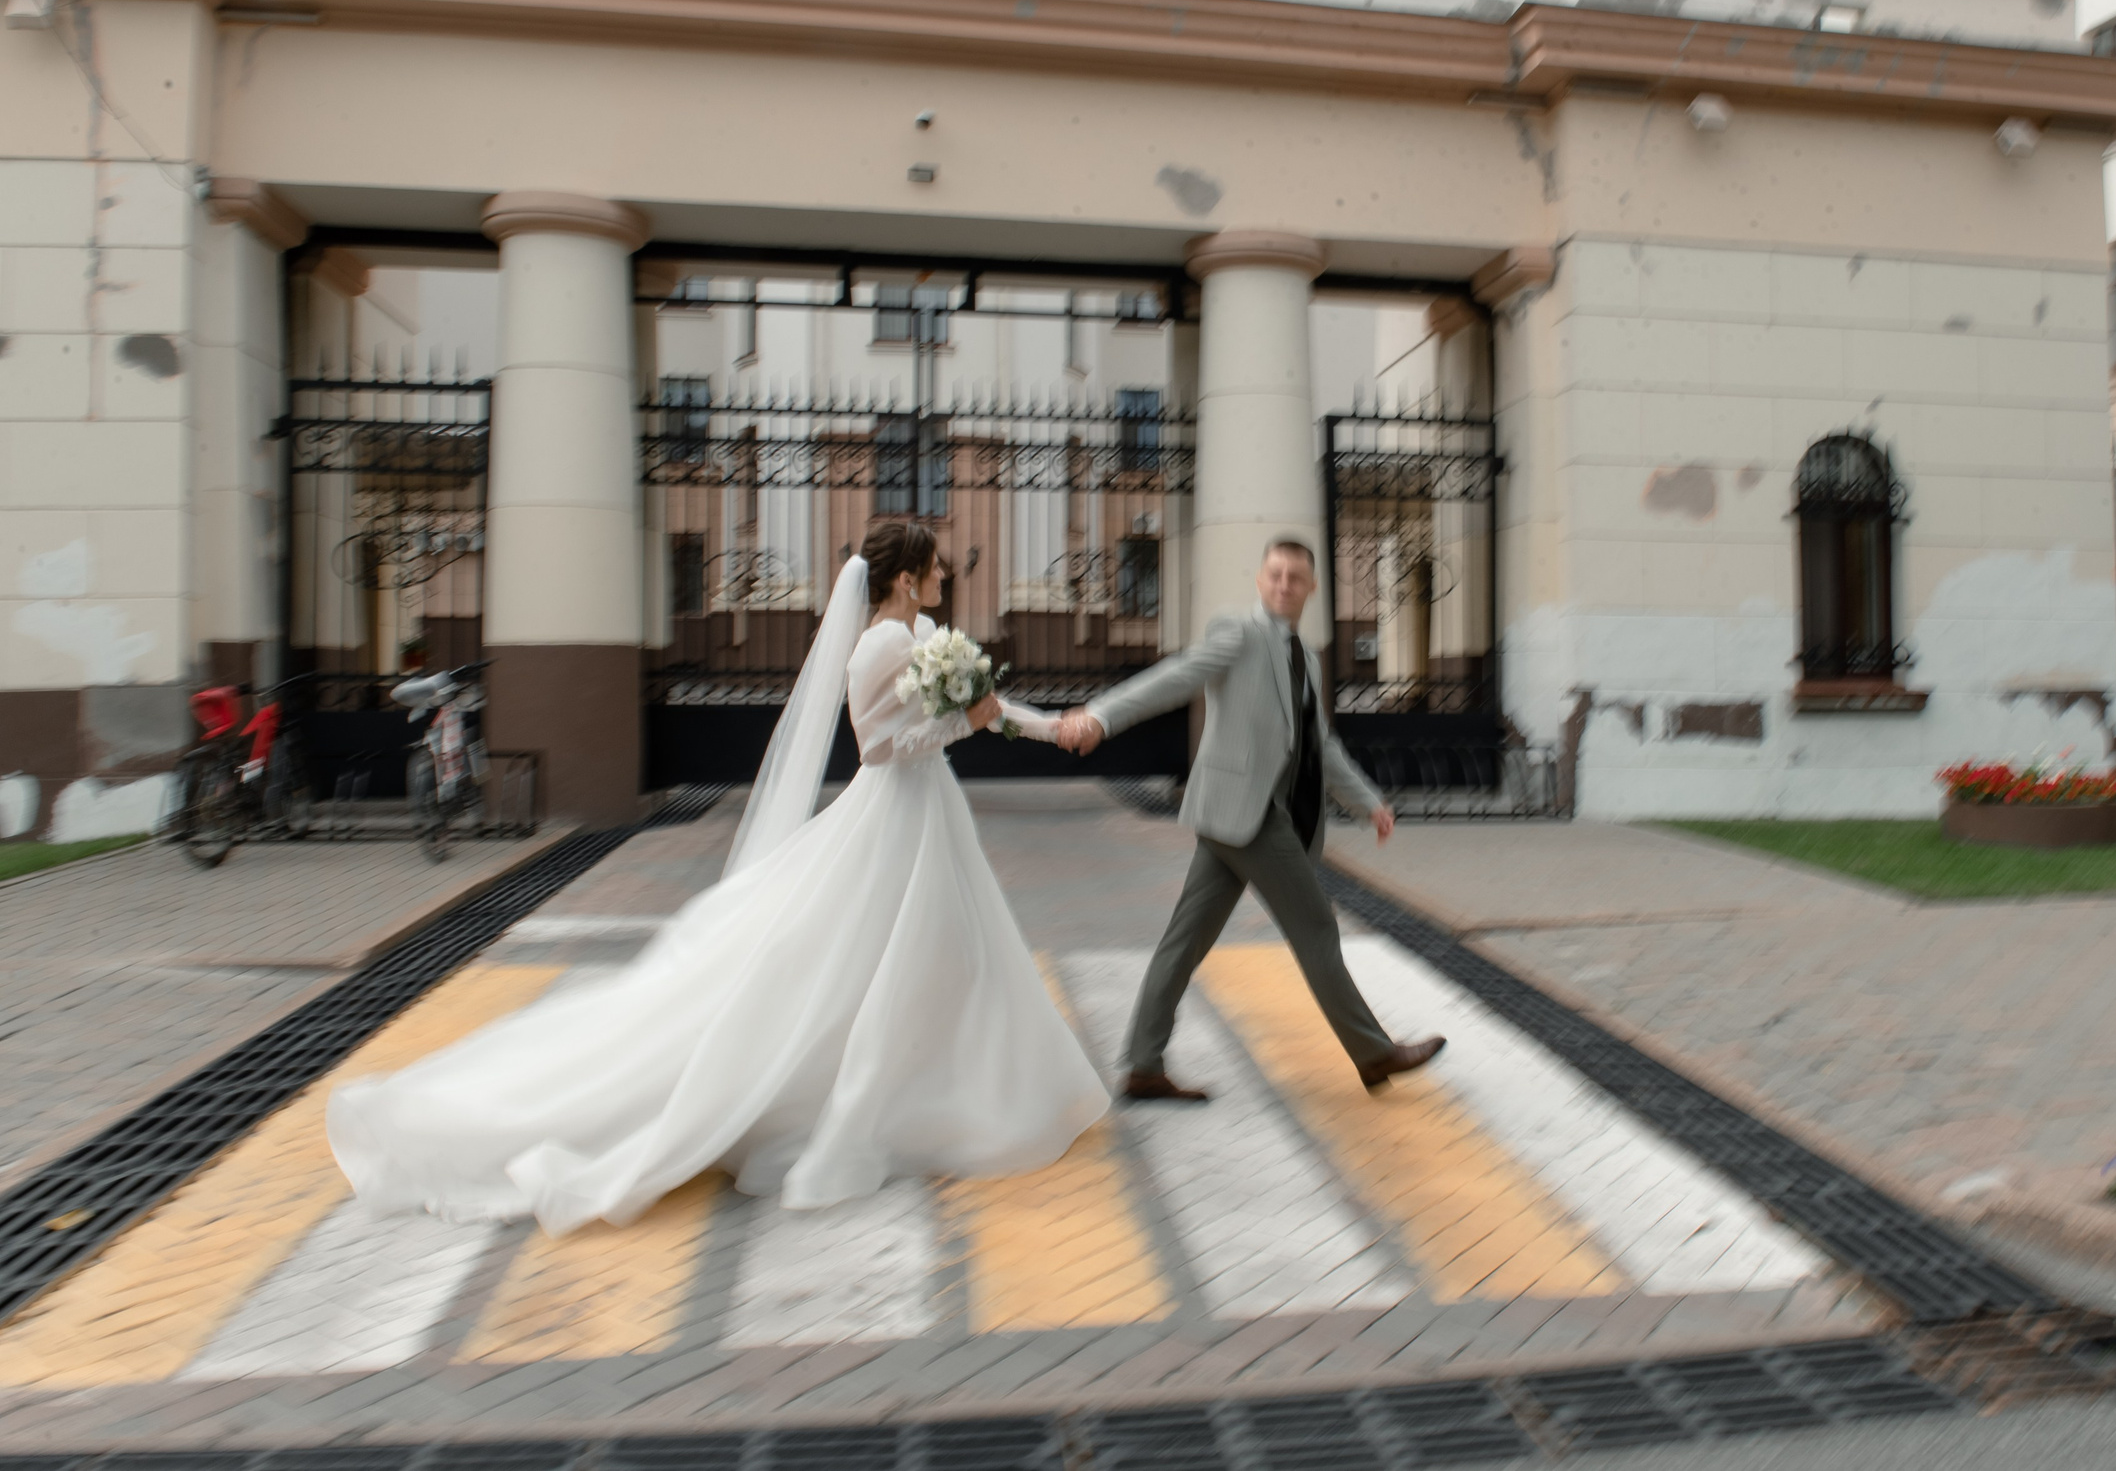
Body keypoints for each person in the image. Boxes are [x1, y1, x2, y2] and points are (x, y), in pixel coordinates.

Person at [328, 518, 1108, 1234]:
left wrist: (1055, 727)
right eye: (935, 566)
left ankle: (954, 1085)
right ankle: (878, 1098)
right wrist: (958, 723)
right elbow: (876, 747)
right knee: (873, 957)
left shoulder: (927, 635)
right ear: (905, 577)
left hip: (931, 813)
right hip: (891, 818)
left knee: (946, 951)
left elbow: (987, 703)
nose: (945, 574)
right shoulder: (877, 647)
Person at [1057, 536, 1445, 1102]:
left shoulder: (1305, 657)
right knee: (1315, 924)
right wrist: (1100, 716)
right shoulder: (1237, 633)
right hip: (1251, 814)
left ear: (1312, 587)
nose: (1284, 584)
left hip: (1234, 815)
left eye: (1295, 577)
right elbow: (1177, 677)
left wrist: (1368, 802)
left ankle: (1142, 1064)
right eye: (1275, 574)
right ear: (1260, 581)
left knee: (1185, 938)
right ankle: (1373, 1052)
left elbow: (1319, 743)